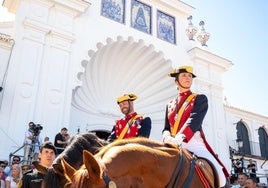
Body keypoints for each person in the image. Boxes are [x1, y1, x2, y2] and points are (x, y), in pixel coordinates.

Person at [162, 65, 229, 187]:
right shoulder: (169, 104)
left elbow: (194, 120)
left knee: (220, 175)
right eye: (184, 75)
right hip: (172, 143)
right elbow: (166, 127)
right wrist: (166, 137)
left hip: (193, 143)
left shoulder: (200, 98)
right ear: (176, 81)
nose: (188, 78)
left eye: (190, 76)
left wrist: (180, 137)